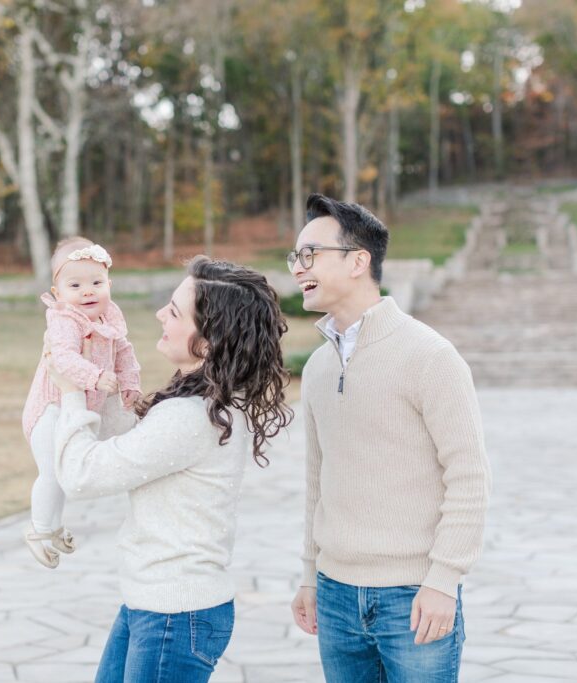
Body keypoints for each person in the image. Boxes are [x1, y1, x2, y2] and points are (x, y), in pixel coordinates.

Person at [46, 256, 292, 683]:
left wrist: (70, 392)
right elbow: (128, 446)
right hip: (158, 606)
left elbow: (83, 476)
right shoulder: (198, 406)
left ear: (208, 342)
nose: (161, 314)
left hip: (174, 616)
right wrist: (101, 376)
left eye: (175, 311)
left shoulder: (190, 417)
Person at [288, 193, 491, 683]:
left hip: (413, 596)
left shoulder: (430, 356)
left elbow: (469, 478)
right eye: (296, 256)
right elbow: (319, 480)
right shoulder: (317, 367)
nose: (298, 268)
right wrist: (311, 575)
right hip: (335, 595)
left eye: (310, 254)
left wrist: (444, 581)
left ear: (359, 261)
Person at [21, 237, 142, 568]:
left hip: (75, 411)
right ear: (58, 292)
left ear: (109, 285)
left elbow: (125, 354)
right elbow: (61, 357)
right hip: (50, 409)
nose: (87, 291)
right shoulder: (64, 320)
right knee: (51, 470)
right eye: (75, 285)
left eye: (96, 283)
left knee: (64, 472)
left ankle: (54, 526)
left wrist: (130, 383)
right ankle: (38, 529)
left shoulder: (109, 319)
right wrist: (94, 376)